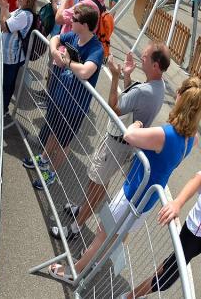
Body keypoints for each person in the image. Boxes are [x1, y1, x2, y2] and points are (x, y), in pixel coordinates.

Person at [49, 77, 201, 282]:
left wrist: (137, 124)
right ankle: (92, 263)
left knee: (103, 233)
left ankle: (73, 273)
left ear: (180, 98)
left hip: (132, 194)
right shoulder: (192, 139)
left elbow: (129, 135)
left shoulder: (165, 134)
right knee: (115, 238)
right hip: (147, 201)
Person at [51, 44, 169, 239]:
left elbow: (114, 107)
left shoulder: (146, 91)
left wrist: (115, 76)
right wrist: (128, 76)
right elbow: (132, 102)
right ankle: (81, 210)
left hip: (116, 144)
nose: (141, 58)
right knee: (96, 181)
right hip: (122, 144)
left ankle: (74, 228)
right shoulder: (158, 87)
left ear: (155, 65)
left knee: (97, 185)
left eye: (145, 57)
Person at [24, 4, 104, 189]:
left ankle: (51, 173)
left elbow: (85, 71)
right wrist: (54, 51)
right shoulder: (74, 36)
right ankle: (43, 159)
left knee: (63, 141)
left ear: (84, 25)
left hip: (74, 105)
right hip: (59, 96)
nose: (70, 21)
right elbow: (57, 38)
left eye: (74, 20)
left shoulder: (96, 49)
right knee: (52, 129)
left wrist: (67, 62)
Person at [125, 170, 201, 298]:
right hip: (195, 234)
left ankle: (136, 294)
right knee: (166, 279)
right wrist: (178, 202)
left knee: (168, 266)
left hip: (195, 234)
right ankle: (129, 297)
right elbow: (197, 178)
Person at [0, 0, 36, 114]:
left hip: (12, 56)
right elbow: (9, 18)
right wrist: (6, 9)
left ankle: (2, 110)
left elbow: (5, 26)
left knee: (6, 85)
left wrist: (3, 8)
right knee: (3, 83)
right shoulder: (20, 11)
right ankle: (0, 108)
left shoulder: (25, 15)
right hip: (8, 54)